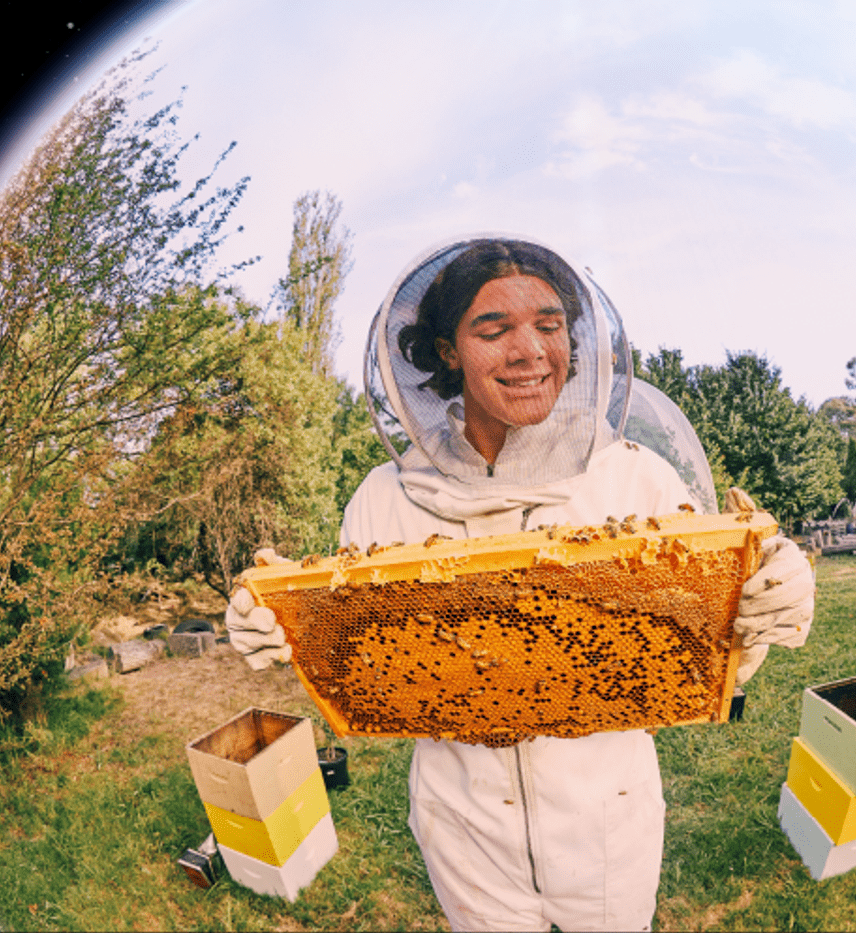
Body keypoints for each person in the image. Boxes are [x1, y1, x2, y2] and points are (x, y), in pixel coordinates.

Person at [228, 235, 813, 931]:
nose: (530, 350)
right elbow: (361, 660)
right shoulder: (386, 500)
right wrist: (283, 629)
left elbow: (715, 656)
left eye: (548, 324)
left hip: (609, 811)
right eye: (493, 328)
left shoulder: (633, 476)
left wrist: (766, 598)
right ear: (447, 350)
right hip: (463, 820)